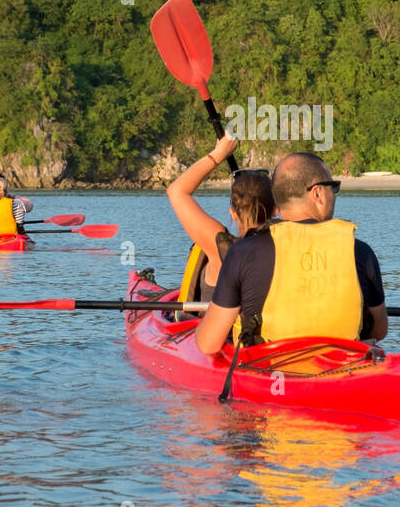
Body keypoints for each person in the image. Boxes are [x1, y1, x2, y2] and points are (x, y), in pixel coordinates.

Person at [194, 152, 387, 355]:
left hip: (268, 371)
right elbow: (379, 330)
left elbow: (209, 344)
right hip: (342, 370)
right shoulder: (361, 252)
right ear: (318, 194)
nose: (334, 195)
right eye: (334, 188)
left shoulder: (243, 252)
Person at [166, 134, 276, 304]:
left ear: (233, 212)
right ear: (276, 210)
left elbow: (176, 191)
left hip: (212, 328)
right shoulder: (284, 247)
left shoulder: (220, 245)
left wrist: (219, 153)